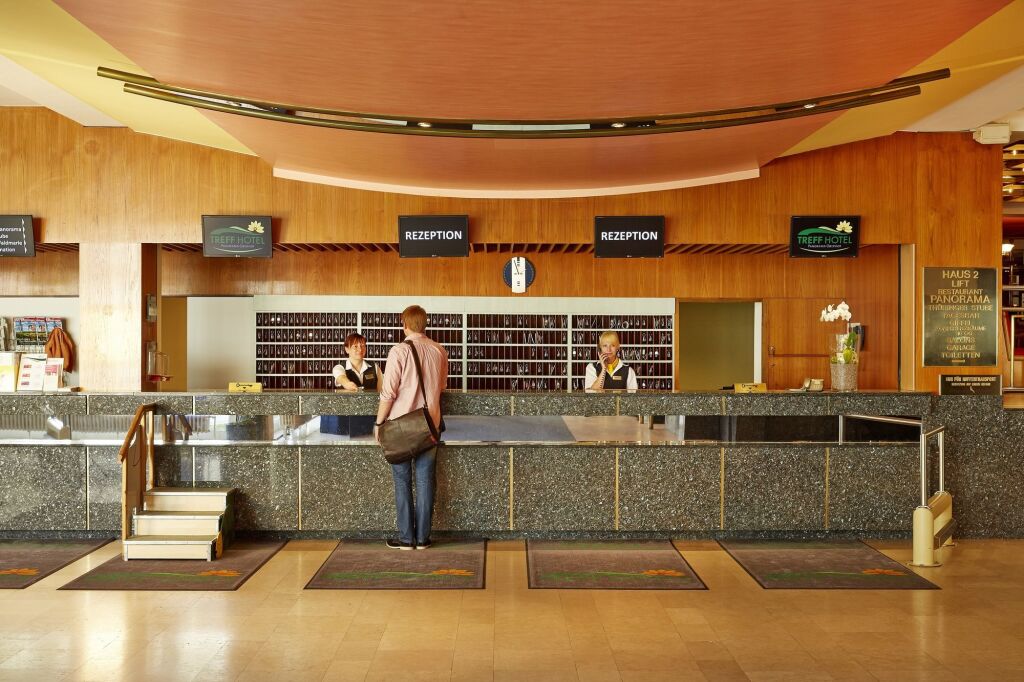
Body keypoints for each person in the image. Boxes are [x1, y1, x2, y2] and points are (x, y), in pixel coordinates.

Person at [374, 305, 448, 550]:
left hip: (401, 427)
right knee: (426, 481)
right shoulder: (439, 350)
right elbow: (442, 387)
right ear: (425, 324)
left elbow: (388, 393)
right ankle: (423, 538)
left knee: (402, 481)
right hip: (429, 426)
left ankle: (407, 539)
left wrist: (379, 423)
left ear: (404, 324)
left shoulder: (399, 351)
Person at [330, 333, 380, 437]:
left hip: (370, 421)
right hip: (346, 423)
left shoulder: (374, 367)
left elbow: (382, 392)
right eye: (355, 346)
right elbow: (340, 377)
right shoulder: (339, 367)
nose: (360, 349)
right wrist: (347, 384)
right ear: (347, 349)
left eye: (363, 346)